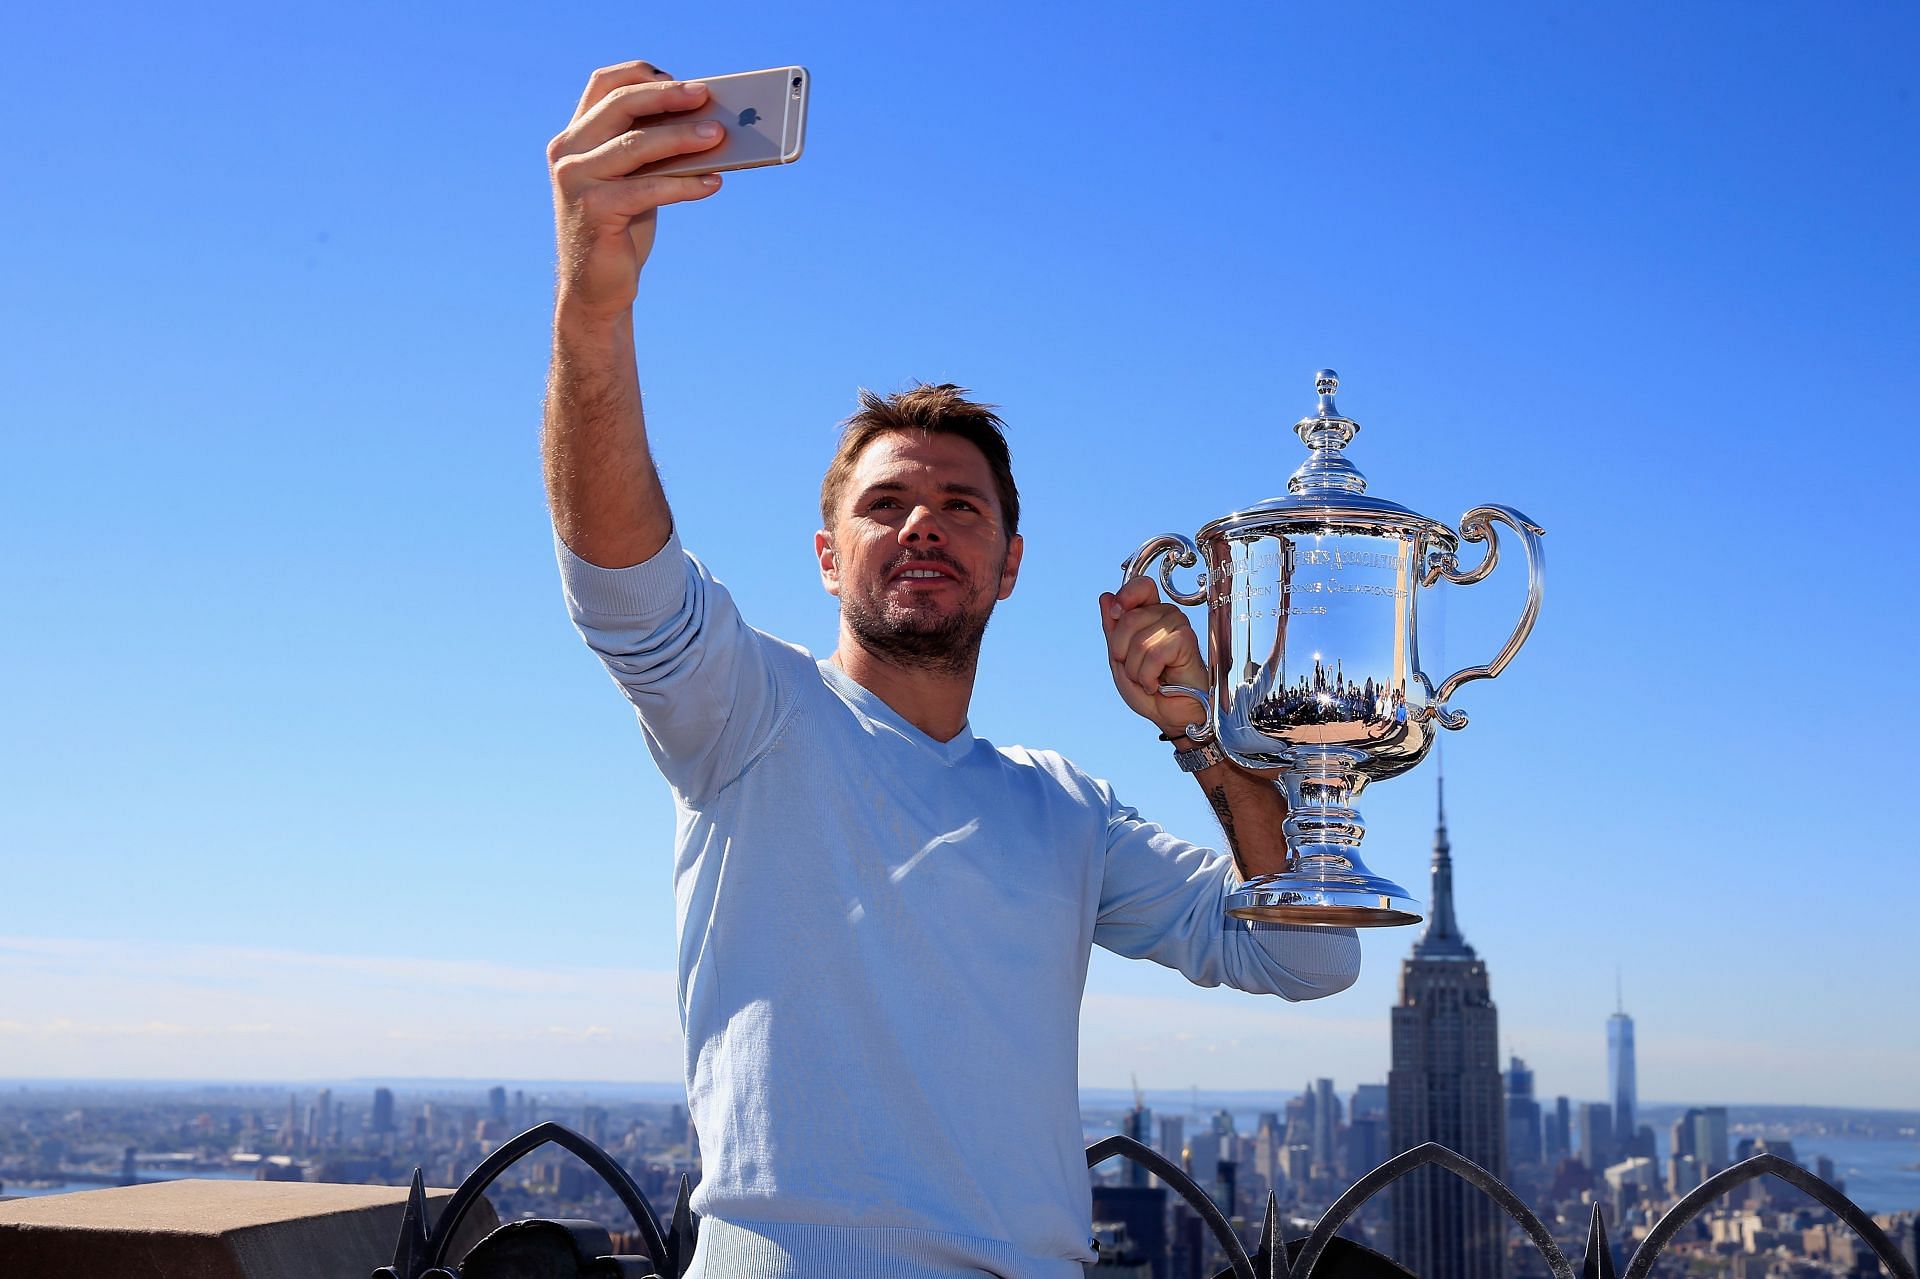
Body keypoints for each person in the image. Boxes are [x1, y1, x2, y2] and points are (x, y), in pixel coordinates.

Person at [543, 59, 1361, 1279]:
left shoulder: (1063, 807)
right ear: (828, 555)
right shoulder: (753, 716)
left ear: (1011, 561)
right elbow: (624, 580)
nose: (923, 524)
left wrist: (1211, 736)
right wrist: (593, 300)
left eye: (960, 506)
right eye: (887, 504)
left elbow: (1307, 954)